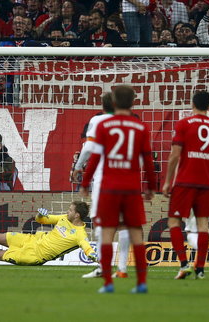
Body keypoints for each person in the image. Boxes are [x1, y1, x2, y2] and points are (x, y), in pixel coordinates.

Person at [80, 85, 156, 294]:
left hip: (109, 188)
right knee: (136, 235)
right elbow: (148, 160)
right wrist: (151, 186)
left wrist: (85, 183)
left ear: (113, 103)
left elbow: (95, 157)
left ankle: (107, 283)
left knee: (105, 234)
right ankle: (141, 283)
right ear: (133, 103)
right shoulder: (140, 127)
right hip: (131, 188)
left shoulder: (105, 125)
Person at [162, 90, 209, 280]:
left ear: (192, 104)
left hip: (185, 182)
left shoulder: (184, 124)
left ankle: (184, 264)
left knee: (174, 222)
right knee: (203, 225)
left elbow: (175, 155)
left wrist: (168, 181)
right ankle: (200, 269)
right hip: (206, 184)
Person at [72, 92, 131, 280]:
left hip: (104, 179)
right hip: (125, 177)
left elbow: (89, 148)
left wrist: (78, 167)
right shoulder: (127, 123)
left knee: (101, 223)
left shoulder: (98, 121)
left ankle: (102, 267)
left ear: (103, 105)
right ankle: (122, 268)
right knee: (122, 225)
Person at [0, 201, 98, 266]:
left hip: (34, 255)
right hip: (31, 239)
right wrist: (40, 215)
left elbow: (85, 245)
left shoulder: (79, 233)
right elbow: (42, 221)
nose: (67, 211)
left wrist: (91, 254)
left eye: (70, 210)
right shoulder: (64, 218)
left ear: (77, 215)